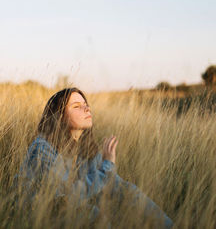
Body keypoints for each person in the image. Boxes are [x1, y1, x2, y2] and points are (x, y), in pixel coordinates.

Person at [15, 87, 173, 228]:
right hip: (39, 217)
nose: (86, 108)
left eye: (85, 104)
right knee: (91, 214)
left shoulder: (86, 149)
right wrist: (107, 167)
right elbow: (64, 198)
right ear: (59, 116)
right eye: (77, 106)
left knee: (128, 191)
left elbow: (114, 184)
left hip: (70, 210)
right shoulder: (42, 148)